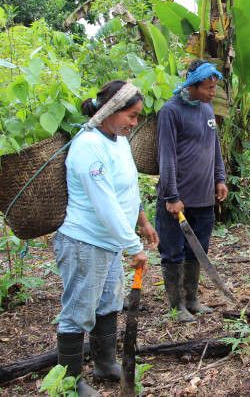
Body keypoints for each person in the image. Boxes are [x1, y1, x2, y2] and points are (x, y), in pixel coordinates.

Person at [54, 80, 157, 395]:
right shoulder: (88, 147)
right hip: (85, 242)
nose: (134, 123)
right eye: (132, 115)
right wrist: (133, 247)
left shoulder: (118, 140)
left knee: (108, 302)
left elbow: (126, 188)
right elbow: (105, 204)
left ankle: (104, 362)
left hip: (109, 242)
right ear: (112, 110)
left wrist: (141, 220)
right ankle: (70, 382)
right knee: (79, 310)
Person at [156, 60, 228, 323]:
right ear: (192, 85)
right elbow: (167, 157)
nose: (213, 92)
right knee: (173, 251)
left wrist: (219, 178)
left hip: (203, 196)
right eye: (208, 87)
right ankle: (176, 306)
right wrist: (172, 196)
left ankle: (192, 299)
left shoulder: (207, 110)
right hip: (178, 200)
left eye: (214, 87)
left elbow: (214, 147)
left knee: (199, 249)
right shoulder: (170, 112)